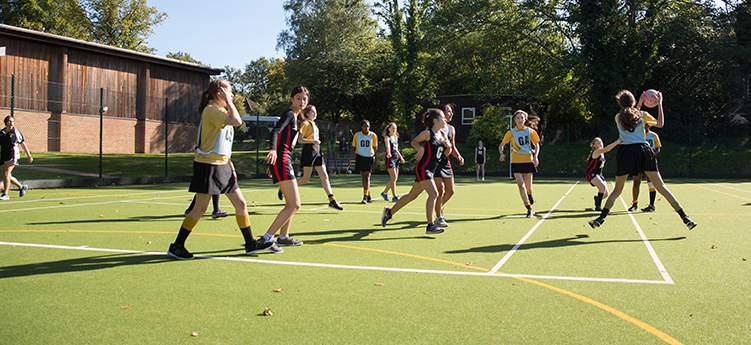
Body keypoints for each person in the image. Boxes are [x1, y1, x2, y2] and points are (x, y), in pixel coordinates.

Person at [167, 80, 276, 260]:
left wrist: (229, 163)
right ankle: (177, 245)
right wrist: (230, 102)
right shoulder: (211, 111)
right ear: (220, 93)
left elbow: (222, 143)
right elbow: (237, 121)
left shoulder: (220, 111)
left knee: (240, 204)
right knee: (199, 209)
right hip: (208, 165)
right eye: (229, 92)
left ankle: (250, 244)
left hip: (221, 164)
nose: (232, 96)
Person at [588, 90, 696, 229]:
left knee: (617, 190)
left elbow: (630, 114)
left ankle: (601, 218)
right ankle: (685, 217)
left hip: (625, 152)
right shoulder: (641, 115)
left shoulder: (618, 116)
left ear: (620, 103)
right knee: (661, 186)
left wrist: (638, 103)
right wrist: (660, 104)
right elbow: (660, 123)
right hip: (643, 151)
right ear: (634, 102)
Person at [381, 109, 452, 234]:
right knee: (434, 193)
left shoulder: (444, 135)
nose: (445, 119)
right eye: (442, 117)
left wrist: (449, 147)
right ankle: (430, 225)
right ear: (435, 120)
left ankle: (389, 212)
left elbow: (445, 154)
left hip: (432, 168)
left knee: (412, 196)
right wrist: (420, 148)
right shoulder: (427, 133)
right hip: (423, 167)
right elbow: (414, 141)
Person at [259, 86, 310, 249]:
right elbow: (275, 131)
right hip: (282, 160)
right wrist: (273, 151)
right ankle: (267, 238)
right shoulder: (289, 114)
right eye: (299, 98)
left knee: (291, 203)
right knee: (294, 204)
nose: (302, 101)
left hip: (283, 160)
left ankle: (283, 236)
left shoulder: (296, 116)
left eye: (305, 99)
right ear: (291, 99)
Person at [296, 105, 343, 210]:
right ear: (307, 114)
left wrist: (316, 143)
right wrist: (313, 141)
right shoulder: (305, 124)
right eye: (312, 112)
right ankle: (285, 187)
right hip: (309, 150)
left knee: (325, 176)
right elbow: (300, 139)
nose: (315, 113)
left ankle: (332, 200)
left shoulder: (313, 124)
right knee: (305, 179)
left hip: (317, 150)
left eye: (315, 111)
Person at [499, 110, 541, 218]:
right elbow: (502, 144)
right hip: (516, 161)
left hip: (528, 160)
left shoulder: (530, 132)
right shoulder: (511, 133)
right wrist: (501, 153)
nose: (520, 120)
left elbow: (536, 145)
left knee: (528, 186)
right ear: (514, 120)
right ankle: (529, 208)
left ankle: (530, 195)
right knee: (520, 185)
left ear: (525, 119)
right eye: (518, 118)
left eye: (521, 118)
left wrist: (535, 157)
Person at [433, 103, 464, 227]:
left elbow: (453, 146)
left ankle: (438, 207)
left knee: (450, 191)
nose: (451, 113)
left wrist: (459, 156)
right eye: (449, 111)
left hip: (445, 162)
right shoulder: (435, 128)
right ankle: (439, 217)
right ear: (441, 113)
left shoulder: (452, 129)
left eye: (451, 111)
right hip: (435, 162)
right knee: (439, 190)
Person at [628, 125, 662, 212]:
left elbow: (658, 148)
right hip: (638, 161)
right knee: (636, 182)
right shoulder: (637, 135)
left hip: (649, 161)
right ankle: (635, 204)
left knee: (651, 182)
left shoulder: (653, 135)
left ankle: (651, 205)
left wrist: (650, 155)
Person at [0, 116, 32, 201]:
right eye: (10, 121)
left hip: (13, 155)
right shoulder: (1, 132)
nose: (11, 123)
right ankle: (21, 187)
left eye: (13, 121)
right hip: (3, 155)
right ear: (6, 122)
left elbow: (23, 143)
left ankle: (5, 194)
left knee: (7, 174)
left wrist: (29, 155)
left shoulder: (16, 132)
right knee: (7, 176)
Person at [586, 137, 620, 211]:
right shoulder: (596, 151)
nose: (600, 144)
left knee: (606, 194)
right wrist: (617, 141)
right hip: (591, 173)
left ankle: (597, 199)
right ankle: (598, 207)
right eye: (598, 143)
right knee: (602, 187)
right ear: (594, 146)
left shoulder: (602, 153)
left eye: (601, 142)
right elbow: (607, 149)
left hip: (599, 174)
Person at [350, 120, 377, 204]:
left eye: (368, 126)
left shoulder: (373, 135)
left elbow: (375, 148)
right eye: (365, 126)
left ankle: (365, 197)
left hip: (369, 157)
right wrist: (350, 157)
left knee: (367, 177)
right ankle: (368, 194)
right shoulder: (357, 135)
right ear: (361, 127)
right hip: (360, 157)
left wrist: (376, 159)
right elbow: (353, 147)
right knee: (363, 177)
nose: (367, 128)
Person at [380, 122, 405, 202]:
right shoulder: (387, 137)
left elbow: (396, 149)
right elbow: (387, 146)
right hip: (390, 158)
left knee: (395, 178)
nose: (394, 130)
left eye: (395, 128)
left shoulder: (395, 138)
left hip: (396, 157)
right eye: (393, 128)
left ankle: (384, 193)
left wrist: (401, 157)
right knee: (393, 177)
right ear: (389, 129)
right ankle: (394, 196)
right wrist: (388, 153)